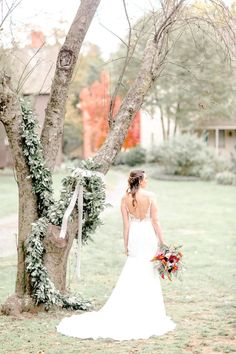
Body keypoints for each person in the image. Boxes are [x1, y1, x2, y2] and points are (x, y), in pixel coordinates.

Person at [57, 170, 176, 340]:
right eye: (146, 178)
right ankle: (147, 312)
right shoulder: (151, 196)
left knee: (134, 268)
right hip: (148, 234)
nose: (147, 181)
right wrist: (162, 242)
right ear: (140, 180)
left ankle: (130, 308)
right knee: (148, 269)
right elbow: (155, 221)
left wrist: (126, 244)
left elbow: (126, 226)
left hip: (135, 235)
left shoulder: (125, 199)